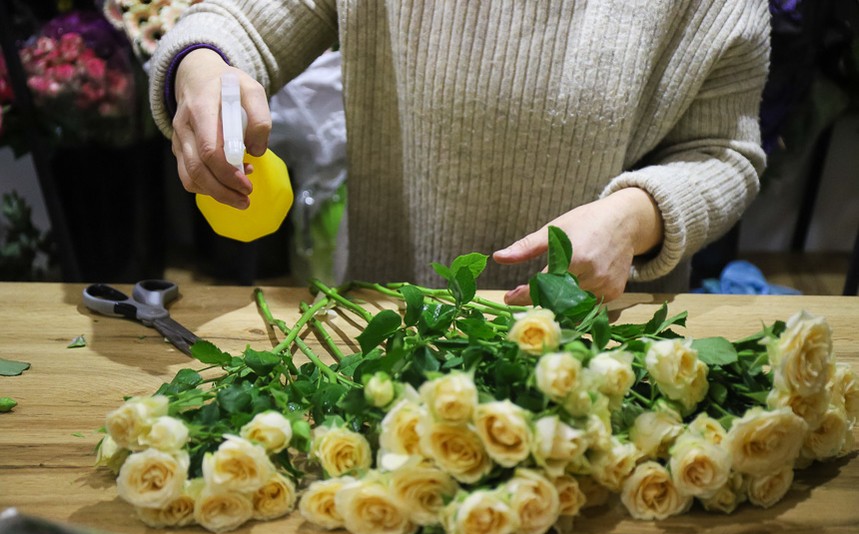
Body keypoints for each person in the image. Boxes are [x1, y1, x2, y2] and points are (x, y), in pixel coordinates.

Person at [148, 1, 770, 303]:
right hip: (396, 324)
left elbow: (725, 152)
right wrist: (201, 67)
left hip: (599, 338)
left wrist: (634, 219)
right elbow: (243, 18)